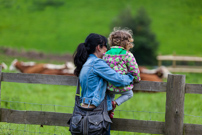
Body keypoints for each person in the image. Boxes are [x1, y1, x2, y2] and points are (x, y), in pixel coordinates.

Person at [73, 33, 134, 135]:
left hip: (84, 112)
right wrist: (131, 77)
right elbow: (118, 80)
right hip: (96, 115)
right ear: (98, 47)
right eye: (105, 45)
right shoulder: (97, 63)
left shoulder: (87, 62)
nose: (107, 48)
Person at [103, 28, 141, 115]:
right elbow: (134, 69)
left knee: (110, 95)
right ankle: (114, 103)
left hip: (109, 85)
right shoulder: (127, 54)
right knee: (129, 94)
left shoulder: (106, 54)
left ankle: (110, 110)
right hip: (121, 84)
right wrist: (137, 79)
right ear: (127, 43)